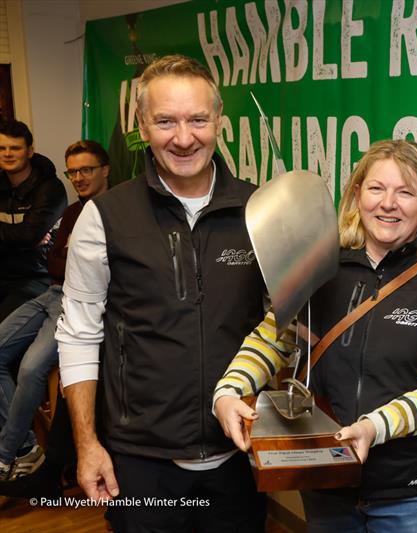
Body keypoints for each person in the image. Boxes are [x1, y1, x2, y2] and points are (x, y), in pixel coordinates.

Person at [214, 139, 417, 532]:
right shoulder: (320, 263)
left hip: (406, 495)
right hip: (326, 484)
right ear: (357, 195)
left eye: (406, 192)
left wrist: (375, 427)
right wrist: (228, 391)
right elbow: (270, 339)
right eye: (376, 188)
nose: (388, 203)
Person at [55, 55, 266, 532]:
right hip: (143, 460)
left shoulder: (260, 210)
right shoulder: (104, 216)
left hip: (238, 453)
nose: (184, 137)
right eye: (166, 121)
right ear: (143, 127)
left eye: (198, 119)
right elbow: (79, 335)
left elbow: (283, 326)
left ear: (220, 122)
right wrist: (88, 445)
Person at [0, 140, 109, 483]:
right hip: (52, 292)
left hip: (78, 303)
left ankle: (3, 455)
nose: (78, 177)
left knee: (32, 369)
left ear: (105, 170)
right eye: (72, 171)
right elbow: (54, 261)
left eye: (86, 169)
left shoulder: (116, 211)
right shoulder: (75, 211)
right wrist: (64, 260)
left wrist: (64, 258)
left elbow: (86, 270)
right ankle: (27, 447)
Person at [0, 120, 67, 323]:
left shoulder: (50, 188)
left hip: (36, 279)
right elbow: (26, 238)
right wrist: (22, 238)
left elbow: (28, 236)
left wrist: (26, 238)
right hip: (3, 275)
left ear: (29, 151)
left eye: (15, 148)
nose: (8, 153)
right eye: (2, 148)